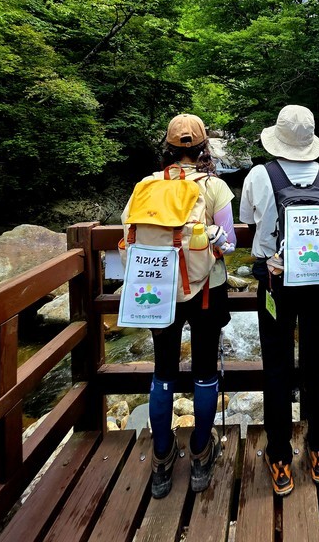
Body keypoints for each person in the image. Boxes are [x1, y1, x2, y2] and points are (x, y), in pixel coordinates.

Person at [121, 114, 236, 499]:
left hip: (157, 287)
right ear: (204, 149)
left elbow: (128, 235)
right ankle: (202, 456)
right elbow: (229, 242)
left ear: (168, 149)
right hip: (207, 288)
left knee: (163, 371)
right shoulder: (215, 186)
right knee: (204, 370)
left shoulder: (145, 185)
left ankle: (161, 460)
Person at [240, 105, 319, 496]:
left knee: (277, 366)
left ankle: (280, 458)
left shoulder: (259, 175)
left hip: (276, 282)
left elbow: (249, 219)